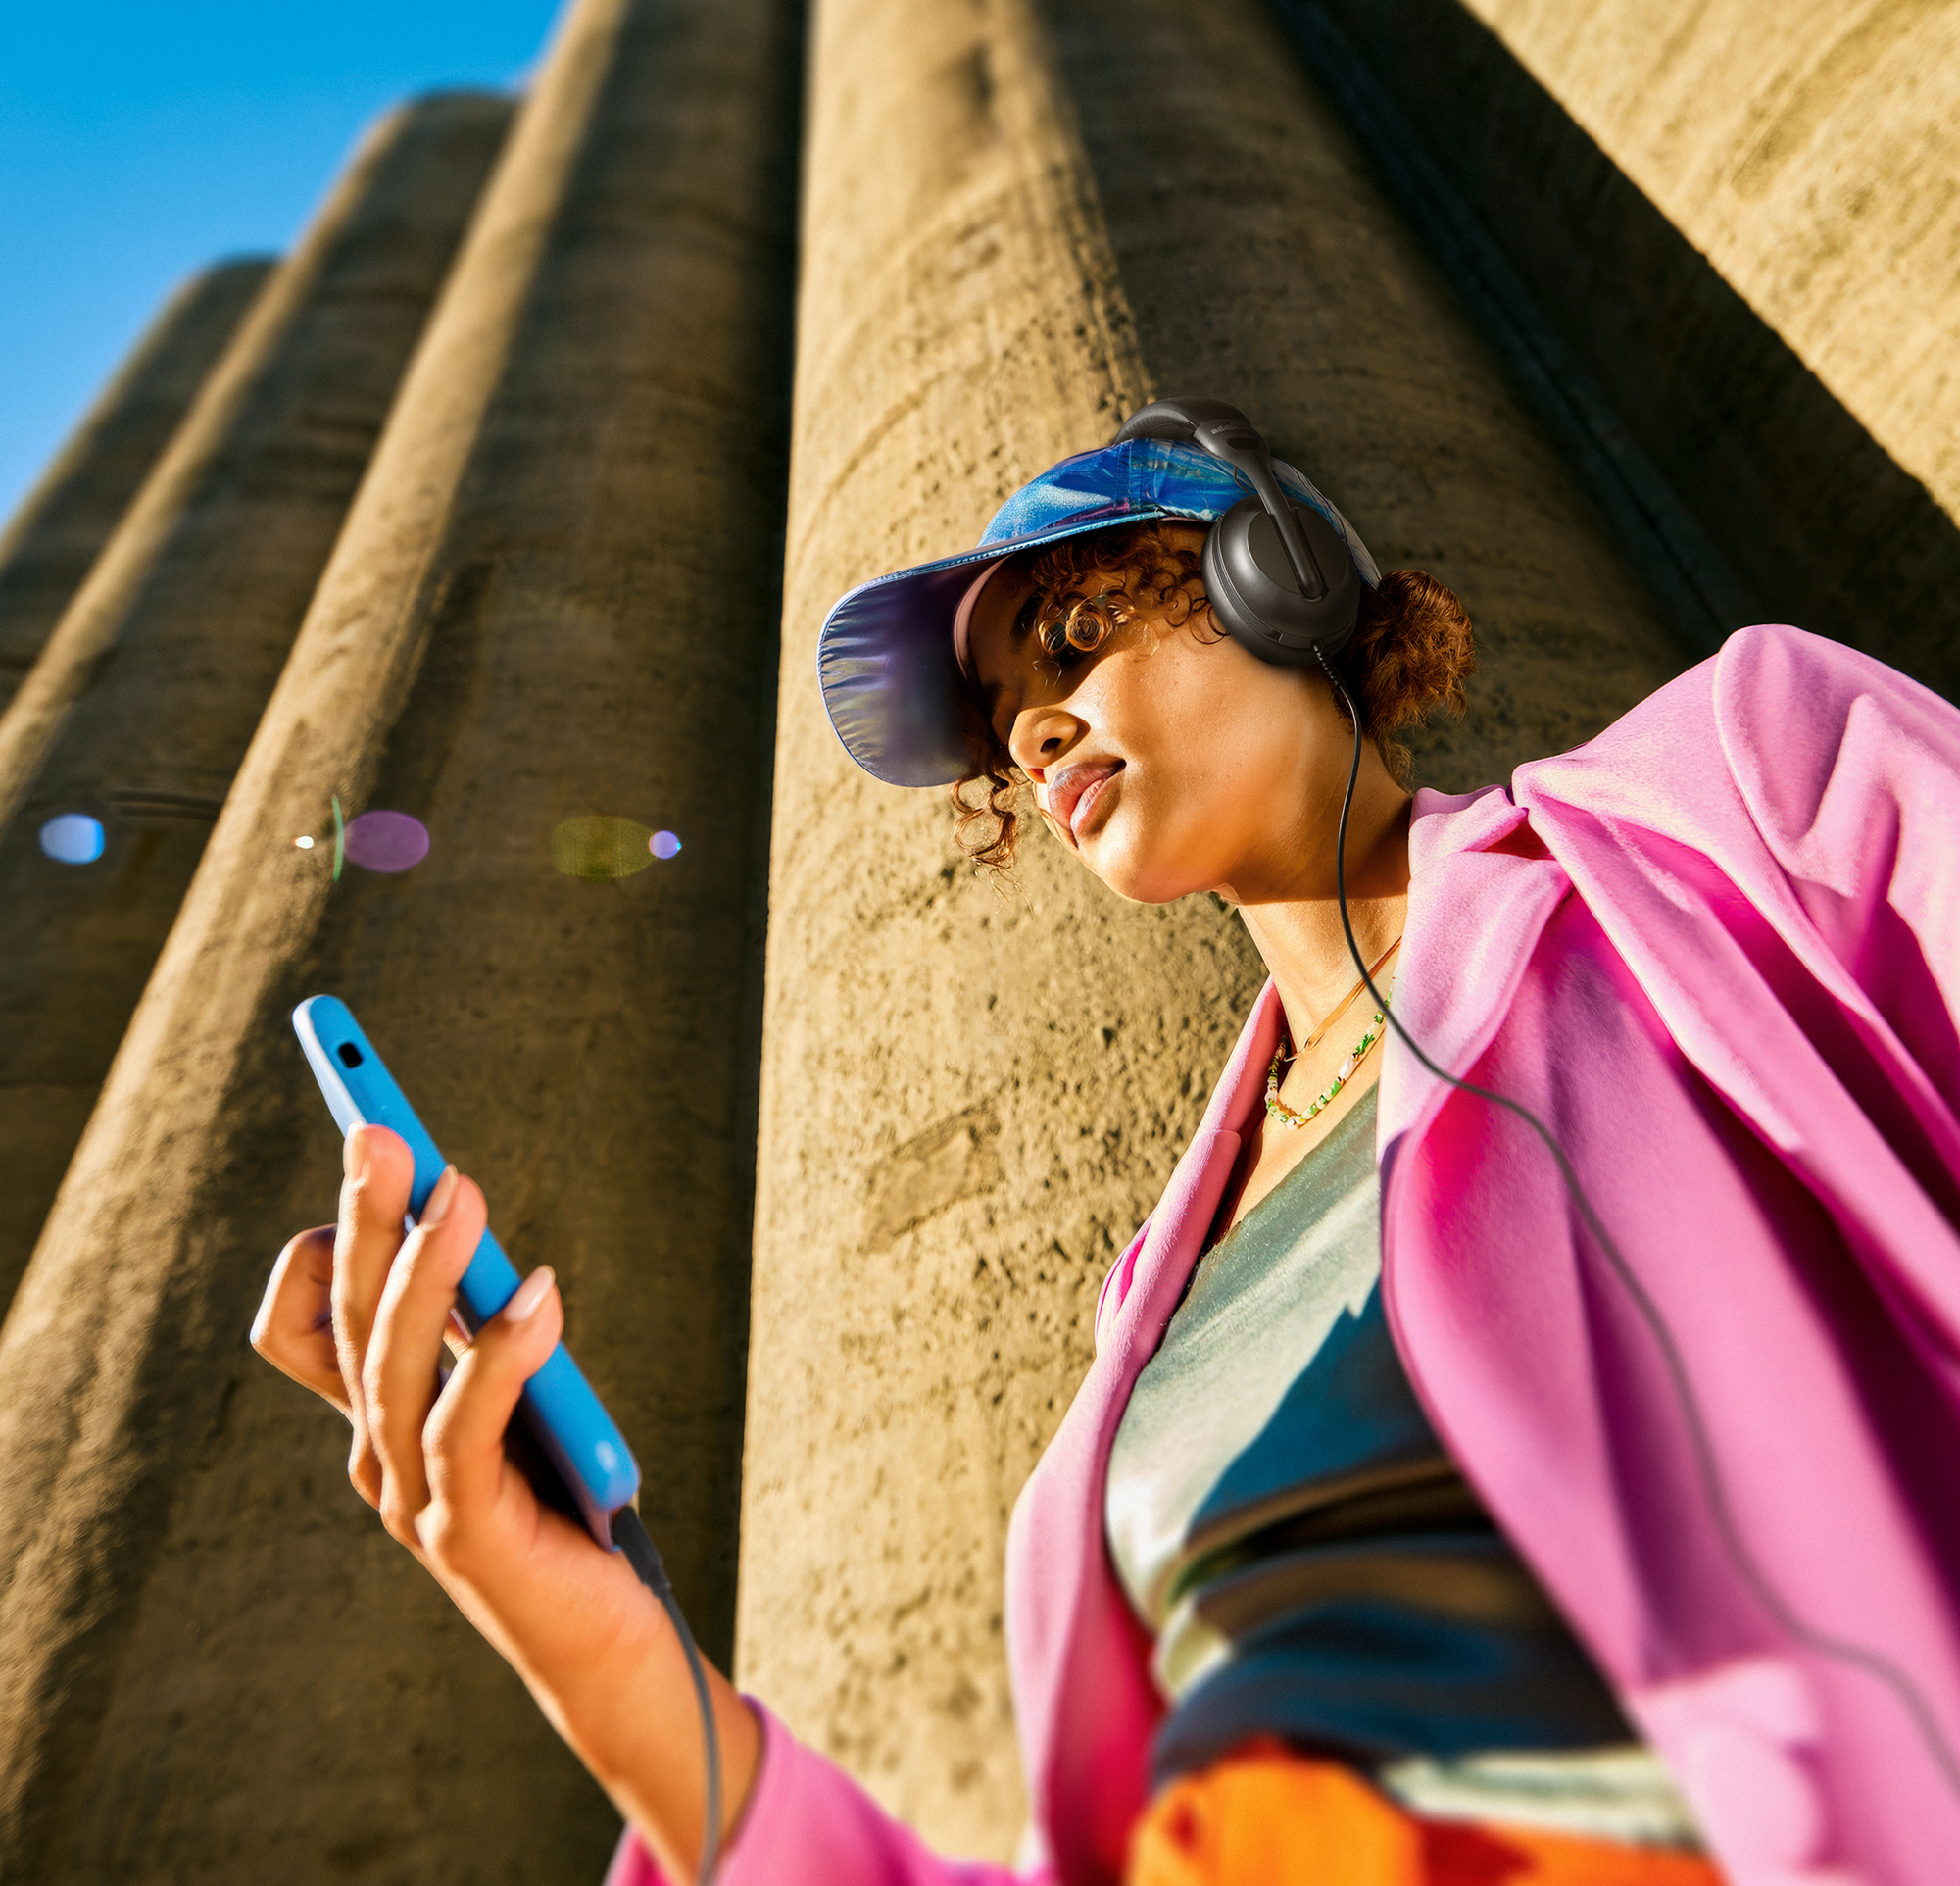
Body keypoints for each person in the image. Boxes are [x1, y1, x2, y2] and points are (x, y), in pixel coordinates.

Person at [253, 405, 1960, 1886]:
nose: (1032, 730)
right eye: (1004, 718)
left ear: (1277, 581)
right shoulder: (1153, 1303)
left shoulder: (1731, 797)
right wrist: (581, 1630)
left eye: (1075, 635)